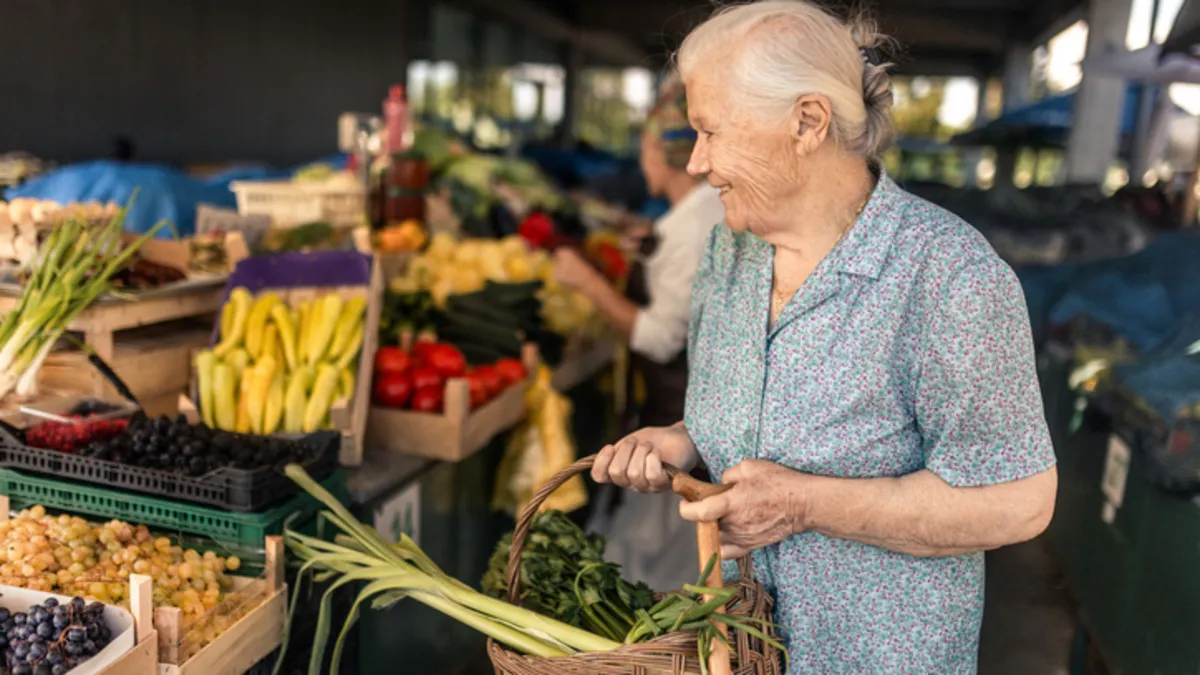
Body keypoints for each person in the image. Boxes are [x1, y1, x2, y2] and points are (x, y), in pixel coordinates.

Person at [589, 2, 1058, 673]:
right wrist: (685, 439)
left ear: (807, 122)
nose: (695, 162)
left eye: (710, 131)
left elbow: (1021, 501)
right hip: (740, 648)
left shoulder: (949, 276)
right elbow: (756, 407)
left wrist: (804, 504)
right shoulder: (730, 252)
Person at [553, 81, 725, 591]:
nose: (642, 161)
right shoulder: (698, 217)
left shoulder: (693, 228)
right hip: (690, 422)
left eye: (645, 148)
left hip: (679, 426)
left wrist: (587, 283)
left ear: (661, 152)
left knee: (651, 578)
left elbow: (658, 339)